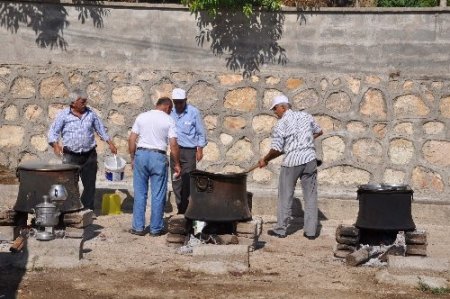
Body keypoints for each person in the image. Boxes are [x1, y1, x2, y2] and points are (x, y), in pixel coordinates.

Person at [258, 94, 323, 240]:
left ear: (283, 106)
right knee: (311, 196)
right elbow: (319, 131)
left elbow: (276, 149)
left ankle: (281, 229)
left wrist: (265, 160)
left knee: (285, 196)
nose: (275, 112)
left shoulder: (281, 124)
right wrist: (305, 143)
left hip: (292, 162)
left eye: (275, 109)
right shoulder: (306, 116)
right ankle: (311, 232)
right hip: (310, 159)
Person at [48, 88, 117, 211]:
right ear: (73, 102)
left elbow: (100, 129)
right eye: (82, 101)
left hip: (89, 155)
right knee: (69, 184)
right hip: (71, 156)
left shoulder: (91, 114)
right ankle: (71, 208)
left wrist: (110, 142)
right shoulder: (63, 115)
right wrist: (55, 145)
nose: (85, 104)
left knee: (89, 184)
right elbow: (53, 132)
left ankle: (87, 209)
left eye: (85, 101)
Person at [128, 97, 181, 236]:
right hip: (158, 156)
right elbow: (174, 144)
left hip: (141, 155)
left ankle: (138, 227)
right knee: (158, 194)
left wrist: (133, 158)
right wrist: (177, 164)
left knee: (140, 193)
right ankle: (155, 229)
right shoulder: (169, 120)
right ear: (168, 107)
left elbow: (132, 139)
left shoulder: (142, 116)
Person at [170, 88, 207, 214]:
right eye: (176, 102)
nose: (178, 105)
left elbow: (201, 132)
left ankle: (186, 209)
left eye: (181, 102)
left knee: (188, 181)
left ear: (185, 100)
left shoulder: (193, 112)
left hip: (189, 151)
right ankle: (180, 207)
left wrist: (200, 149)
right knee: (176, 181)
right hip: (175, 151)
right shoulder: (170, 112)